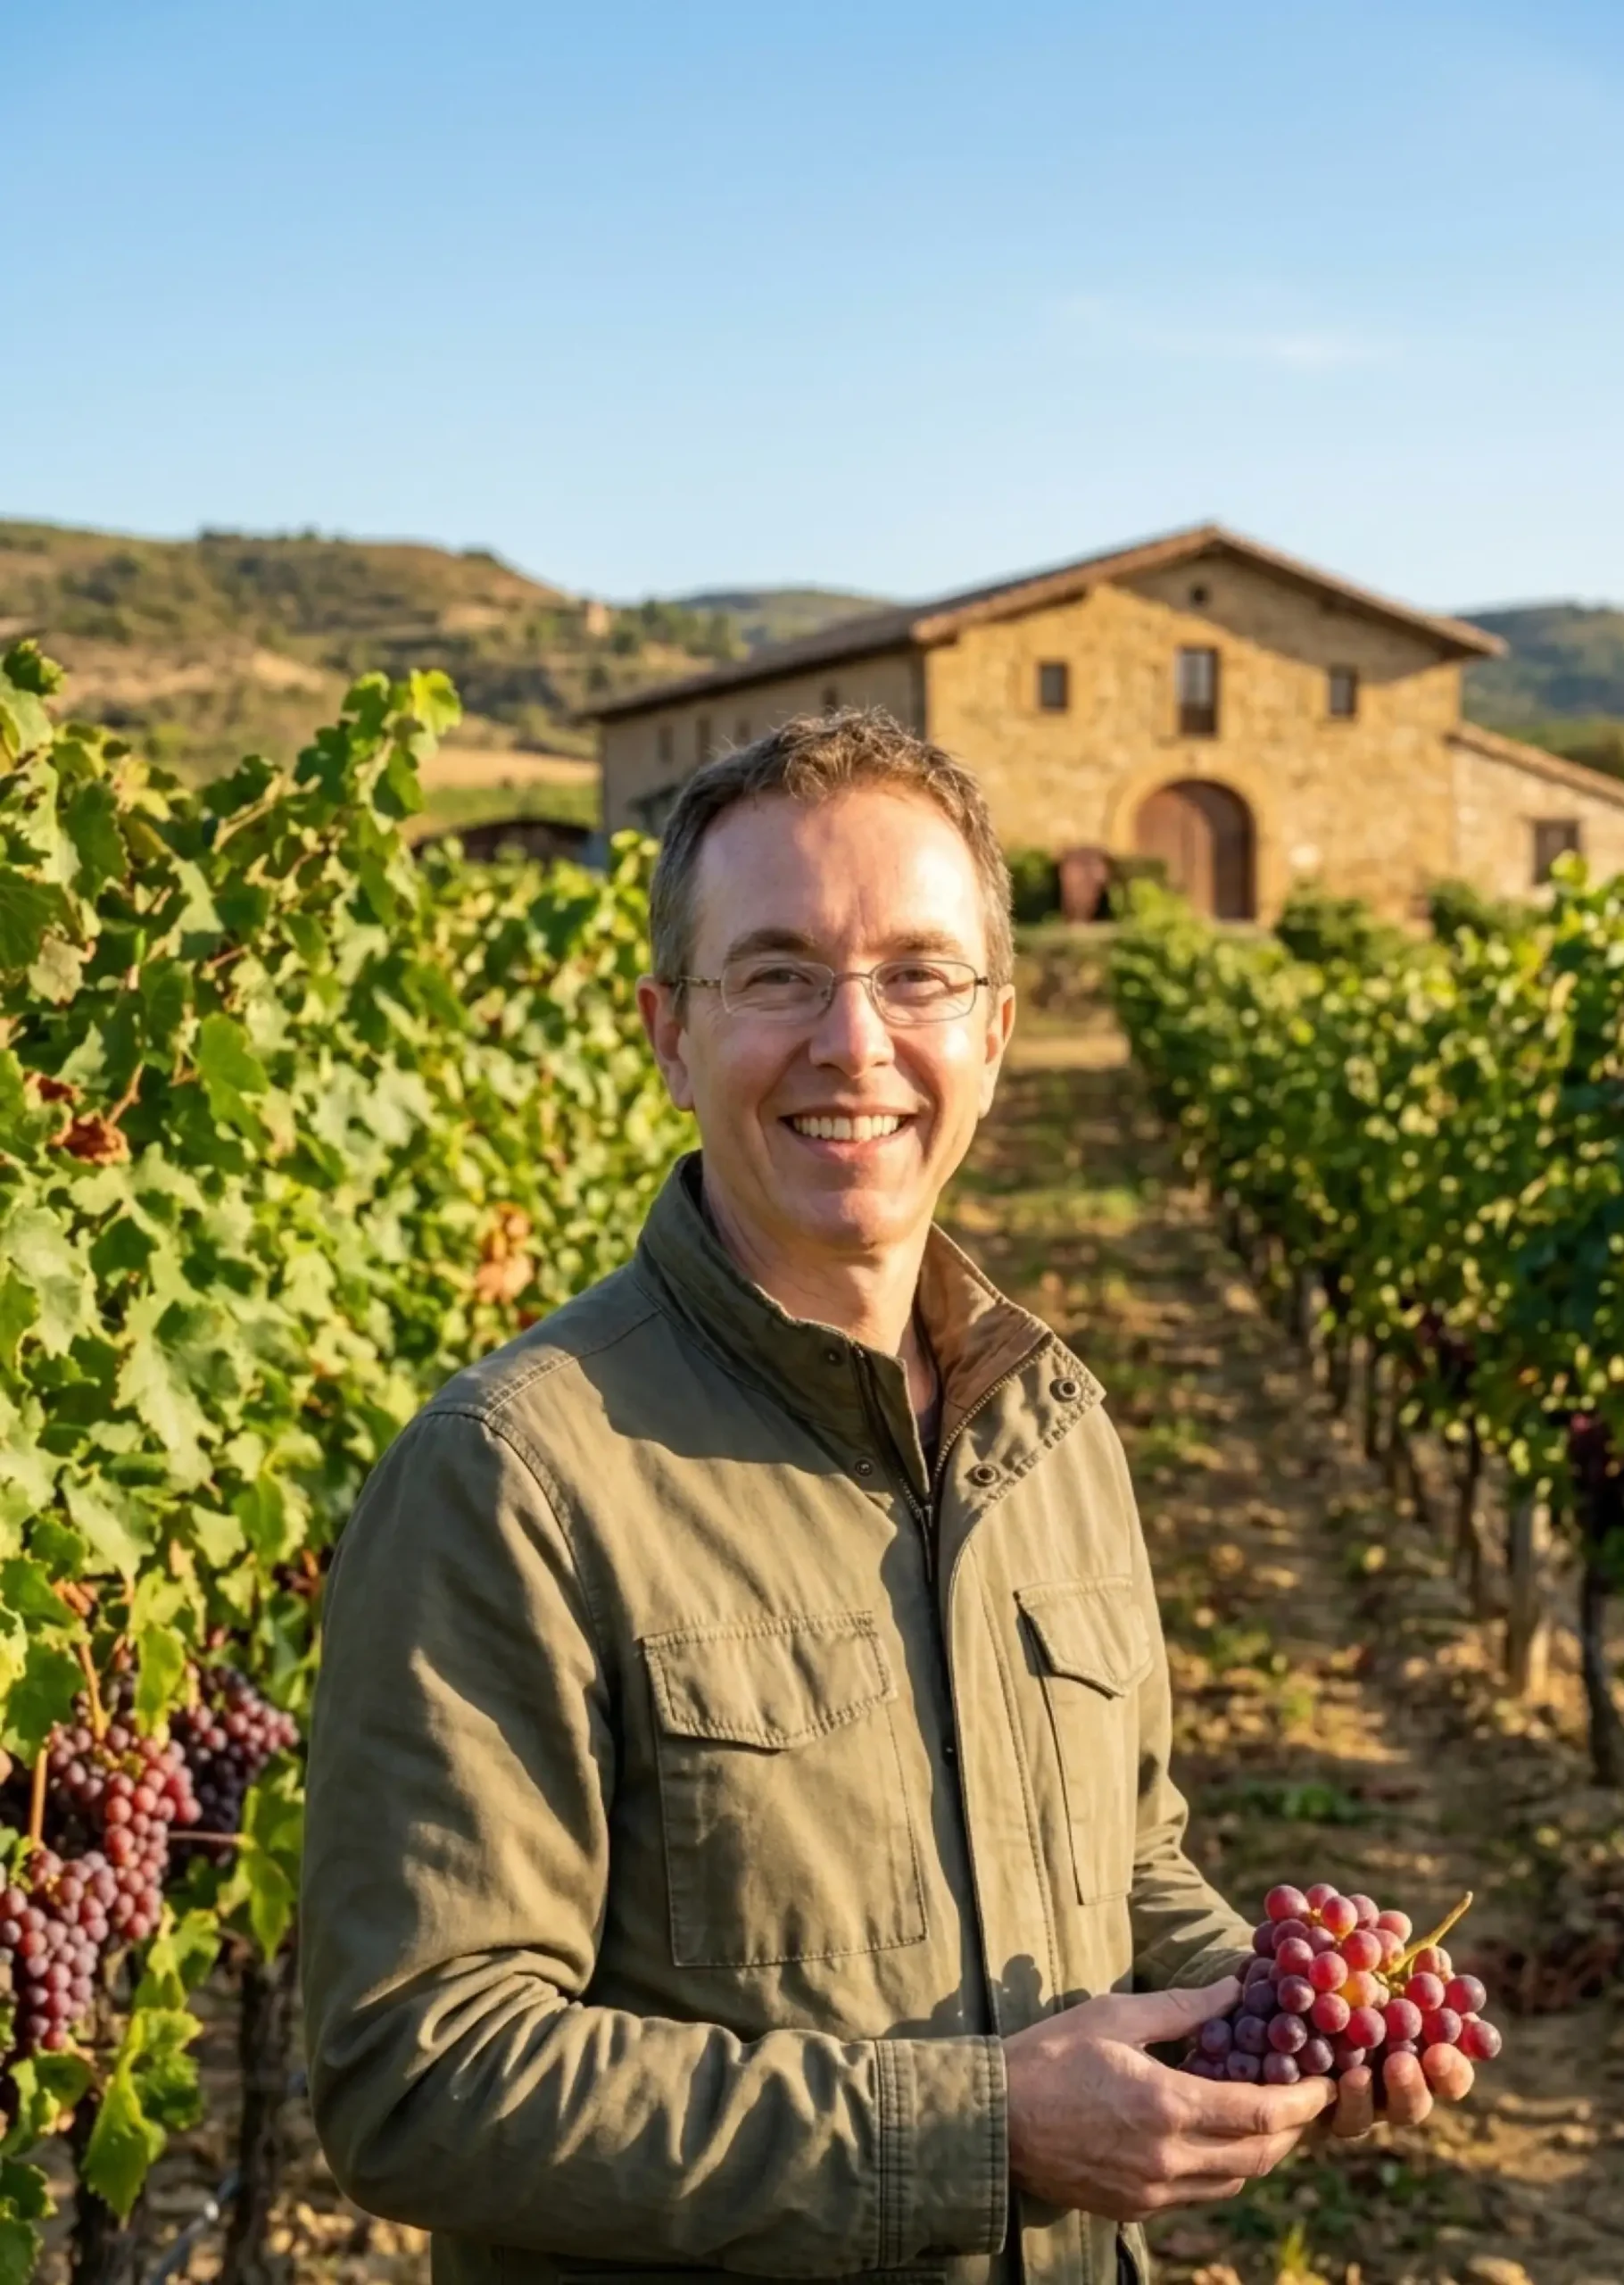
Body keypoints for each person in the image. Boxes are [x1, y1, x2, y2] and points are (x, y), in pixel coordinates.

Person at [302, 710, 1472, 2285]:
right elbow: (419, 2080)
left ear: (992, 1029)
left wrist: (1274, 2007)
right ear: (668, 1031)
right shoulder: (514, 1478)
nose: (853, 1040)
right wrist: (983, 2134)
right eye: (778, 972)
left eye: (917, 974)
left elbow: (1114, 1858)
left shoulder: (1054, 1431)